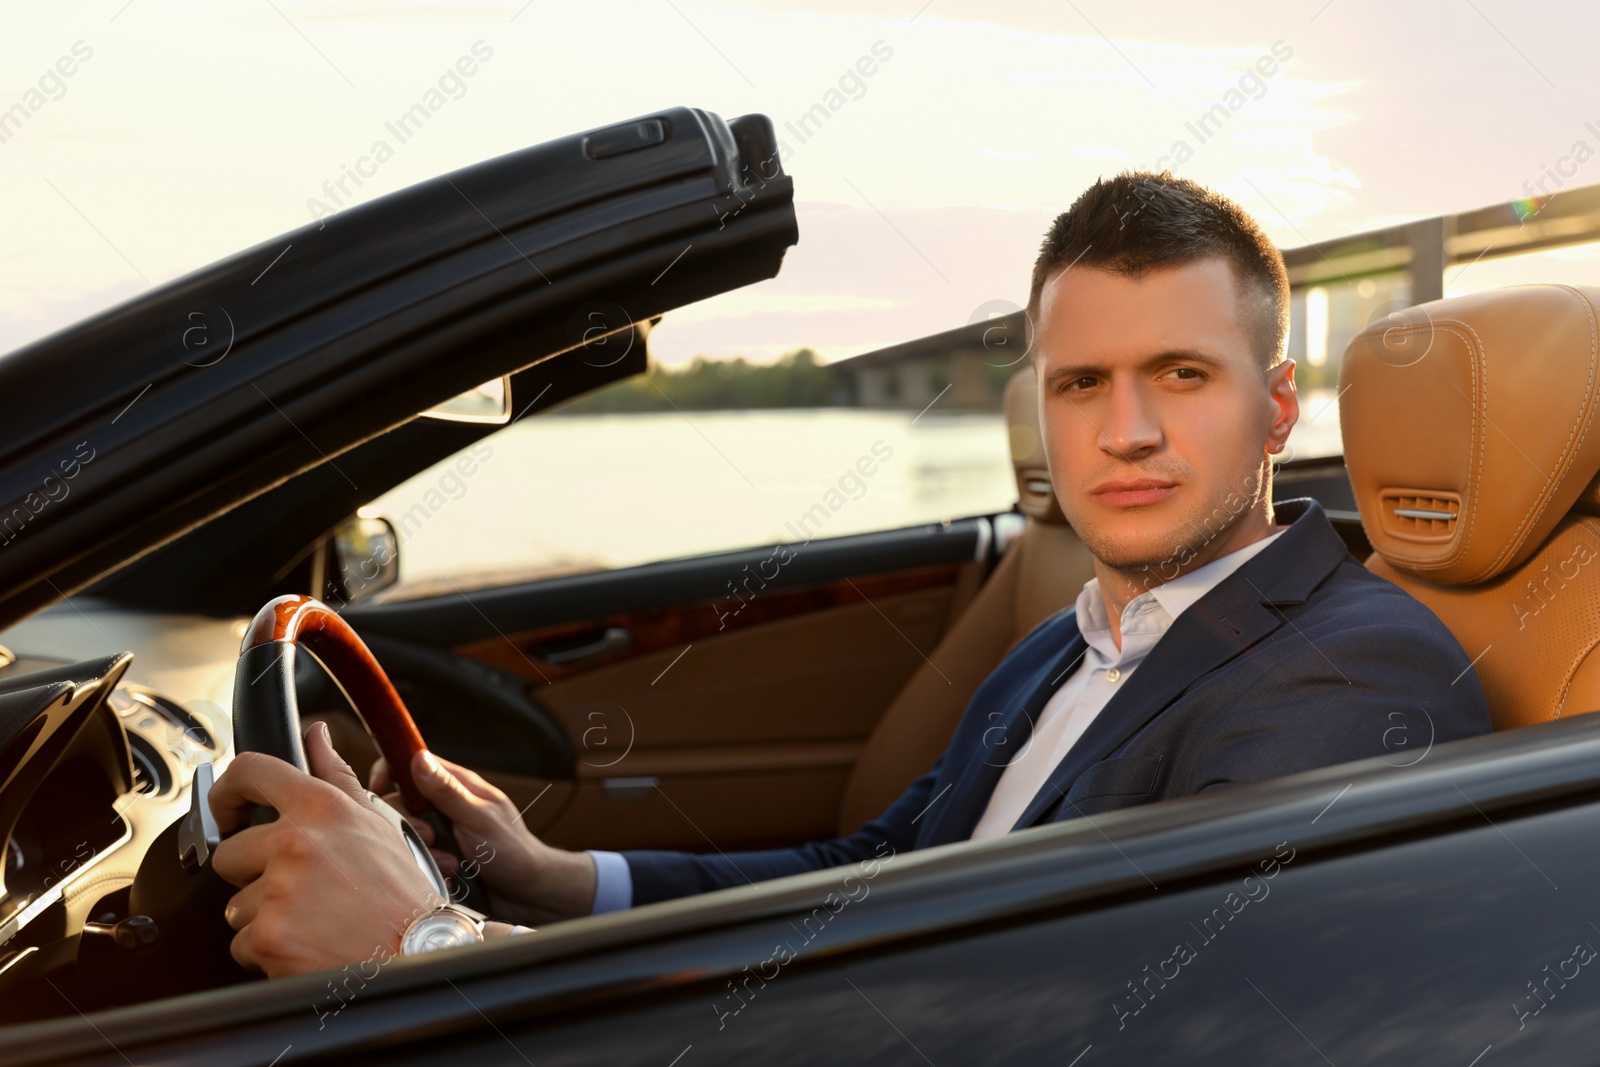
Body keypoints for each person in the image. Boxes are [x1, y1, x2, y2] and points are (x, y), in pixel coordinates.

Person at [209, 171, 1492, 978]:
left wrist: (428, 949)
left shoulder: (1350, 668)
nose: (1127, 430)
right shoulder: (1079, 633)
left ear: (1276, 410)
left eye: (1183, 374)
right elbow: (884, 866)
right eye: (1081, 382)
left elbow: (1127, 1017)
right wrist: (548, 874)